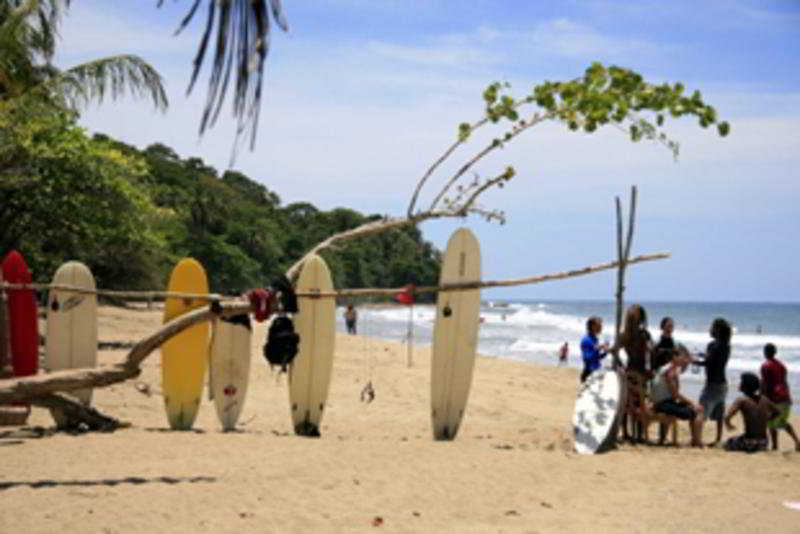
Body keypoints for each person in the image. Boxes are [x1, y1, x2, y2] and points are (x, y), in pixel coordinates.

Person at [650, 345, 704, 447]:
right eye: (682, 357)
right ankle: (697, 441)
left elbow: (675, 393)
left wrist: (686, 363)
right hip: (663, 404)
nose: (683, 359)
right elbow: (676, 395)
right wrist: (692, 403)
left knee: (692, 407)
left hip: (661, 402)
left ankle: (695, 440)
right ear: (674, 357)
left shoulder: (666, 368)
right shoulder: (670, 371)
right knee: (697, 410)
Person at [694, 317, 731, 446]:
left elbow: (708, 362)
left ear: (717, 330)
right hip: (723, 384)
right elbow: (712, 359)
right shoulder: (726, 346)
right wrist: (701, 356)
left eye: (712, 327)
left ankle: (697, 440)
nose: (710, 329)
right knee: (719, 412)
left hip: (712, 385)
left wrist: (691, 361)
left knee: (700, 411)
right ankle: (718, 439)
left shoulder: (714, 345)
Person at [618, 304, 653, 442]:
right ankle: (638, 434)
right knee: (639, 403)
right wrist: (650, 370)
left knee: (627, 404)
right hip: (640, 371)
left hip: (629, 369)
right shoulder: (644, 334)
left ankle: (626, 433)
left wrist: (621, 366)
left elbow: (615, 352)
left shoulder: (624, 335)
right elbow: (649, 355)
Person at [723, 372, 778, 453]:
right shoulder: (764, 399)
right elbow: (777, 412)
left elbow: (727, 416)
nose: (739, 384)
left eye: (741, 382)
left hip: (749, 443)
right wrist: (767, 419)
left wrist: (728, 424)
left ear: (745, 386)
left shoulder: (742, 400)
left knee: (727, 443)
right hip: (764, 443)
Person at [760, 343, 800, 451]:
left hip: (775, 398)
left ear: (765, 352)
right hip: (785, 397)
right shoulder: (782, 365)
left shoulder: (765, 366)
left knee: (771, 424)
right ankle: (797, 441)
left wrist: (762, 398)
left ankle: (775, 446)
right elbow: (785, 382)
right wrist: (789, 397)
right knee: (782, 422)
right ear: (775, 352)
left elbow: (766, 384)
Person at [580, 316, 608, 383]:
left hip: (596, 371)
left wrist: (605, 352)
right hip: (589, 374)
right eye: (599, 325)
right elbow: (587, 359)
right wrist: (597, 348)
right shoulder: (586, 340)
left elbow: (597, 358)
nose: (601, 327)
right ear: (592, 326)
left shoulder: (595, 339)